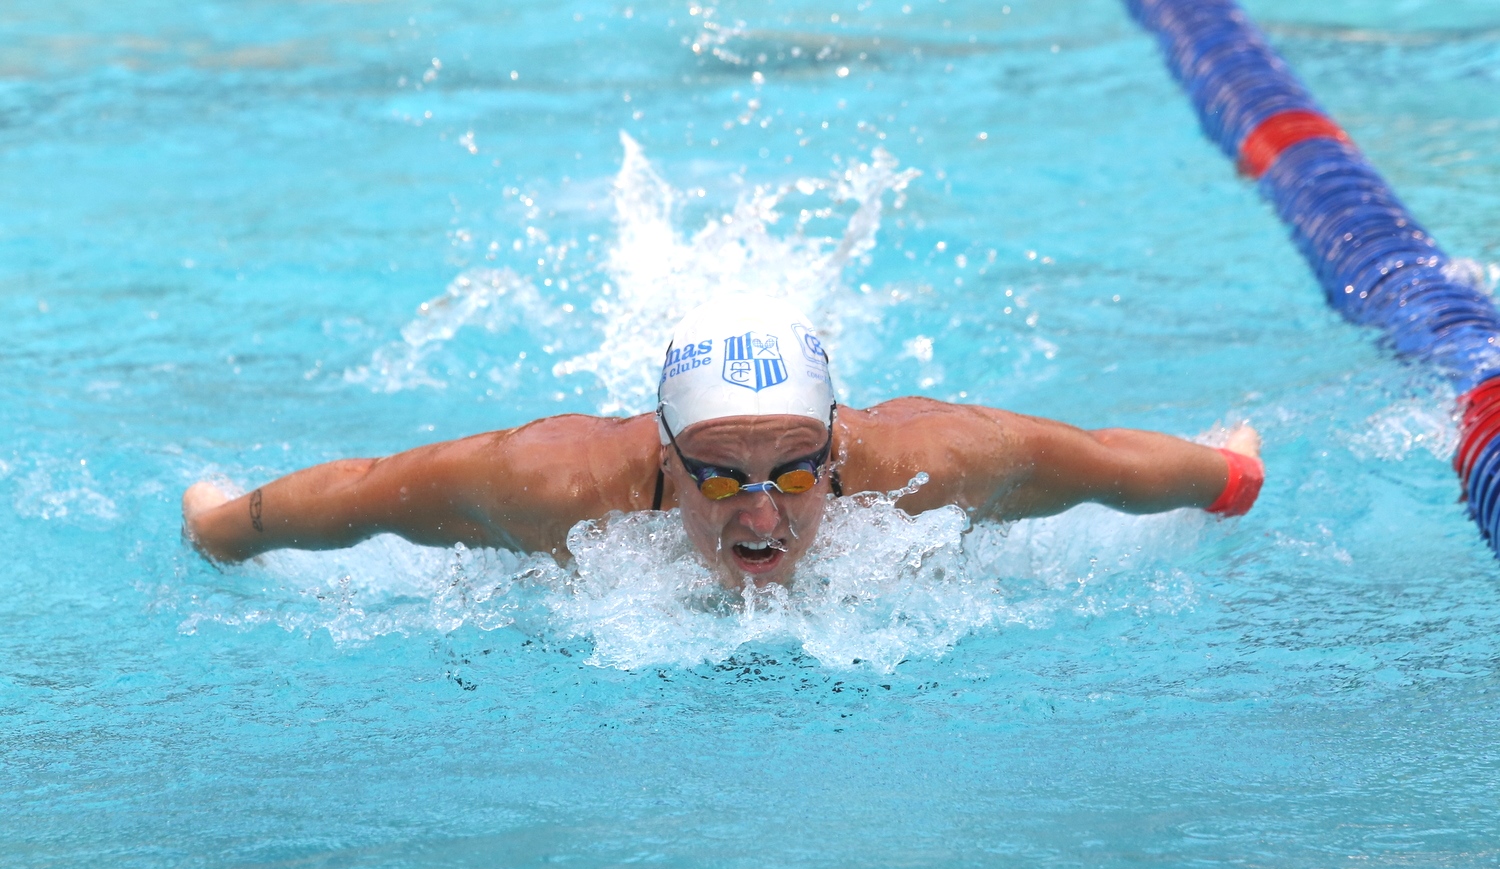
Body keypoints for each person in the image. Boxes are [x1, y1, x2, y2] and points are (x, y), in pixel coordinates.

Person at [182, 294, 1264, 587]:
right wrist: (225, 527)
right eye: (719, 477)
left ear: (839, 452)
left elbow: (1110, 465)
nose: (761, 512)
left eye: (795, 471)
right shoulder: (549, 485)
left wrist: (1228, 475)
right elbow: (368, 491)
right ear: (663, 457)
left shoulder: (939, 462)